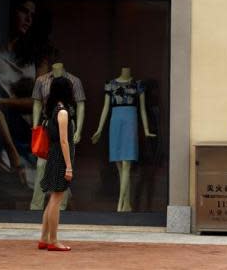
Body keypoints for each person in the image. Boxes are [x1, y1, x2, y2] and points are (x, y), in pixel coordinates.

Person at [0, 0, 50, 209]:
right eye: (24, 11)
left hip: (33, 138)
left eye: (32, 14)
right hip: (1, 140)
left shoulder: (38, 58)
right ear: (9, 14)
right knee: (5, 205)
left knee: (46, 200)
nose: (29, 18)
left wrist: (3, 101)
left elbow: (39, 103)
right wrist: (13, 154)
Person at [91, 67, 156, 212]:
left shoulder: (137, 84)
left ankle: (119, 205)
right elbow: (105, 108)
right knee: (120, 167)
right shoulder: (111, 84)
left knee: (126, 164)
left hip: (130, 122)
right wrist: (99, 129)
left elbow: (143, 109)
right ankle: (127, 205)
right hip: (116, 122)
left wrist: (146, 130)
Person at [38, 76, 76, 251]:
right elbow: (64, 141)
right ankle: (53, 240)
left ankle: (44, 238)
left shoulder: (53, 109)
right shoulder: (62, 112)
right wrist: (69, 165)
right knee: (56, 199)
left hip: (53, 156)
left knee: (52, 198)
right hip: (59, 157)